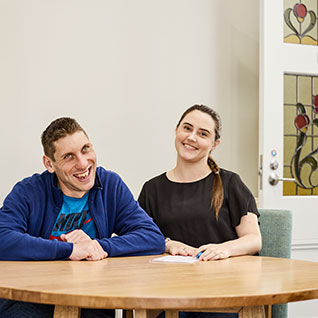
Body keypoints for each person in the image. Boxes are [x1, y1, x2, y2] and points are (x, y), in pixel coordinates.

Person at [0, 117, 165, 318]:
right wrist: (70, 250)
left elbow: (151, 237)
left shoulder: (110, 184)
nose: (82, 163)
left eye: (85, 149)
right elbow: (3, 238)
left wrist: (96, 246)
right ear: (49, 164)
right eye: (68, 156)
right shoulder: (28, 191)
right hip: (32, 300)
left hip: (91, 300)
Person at [138, 105, 261, 318]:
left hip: (223, 295)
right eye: (187, 128)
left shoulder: (230, 183)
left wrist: (224, 249)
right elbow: (139, 237)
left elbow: (253, 239)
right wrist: (167, 243)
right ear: (177, 131)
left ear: (214, 144)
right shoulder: (152, 189)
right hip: (169, 296)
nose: (192, 137)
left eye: (203, 134)